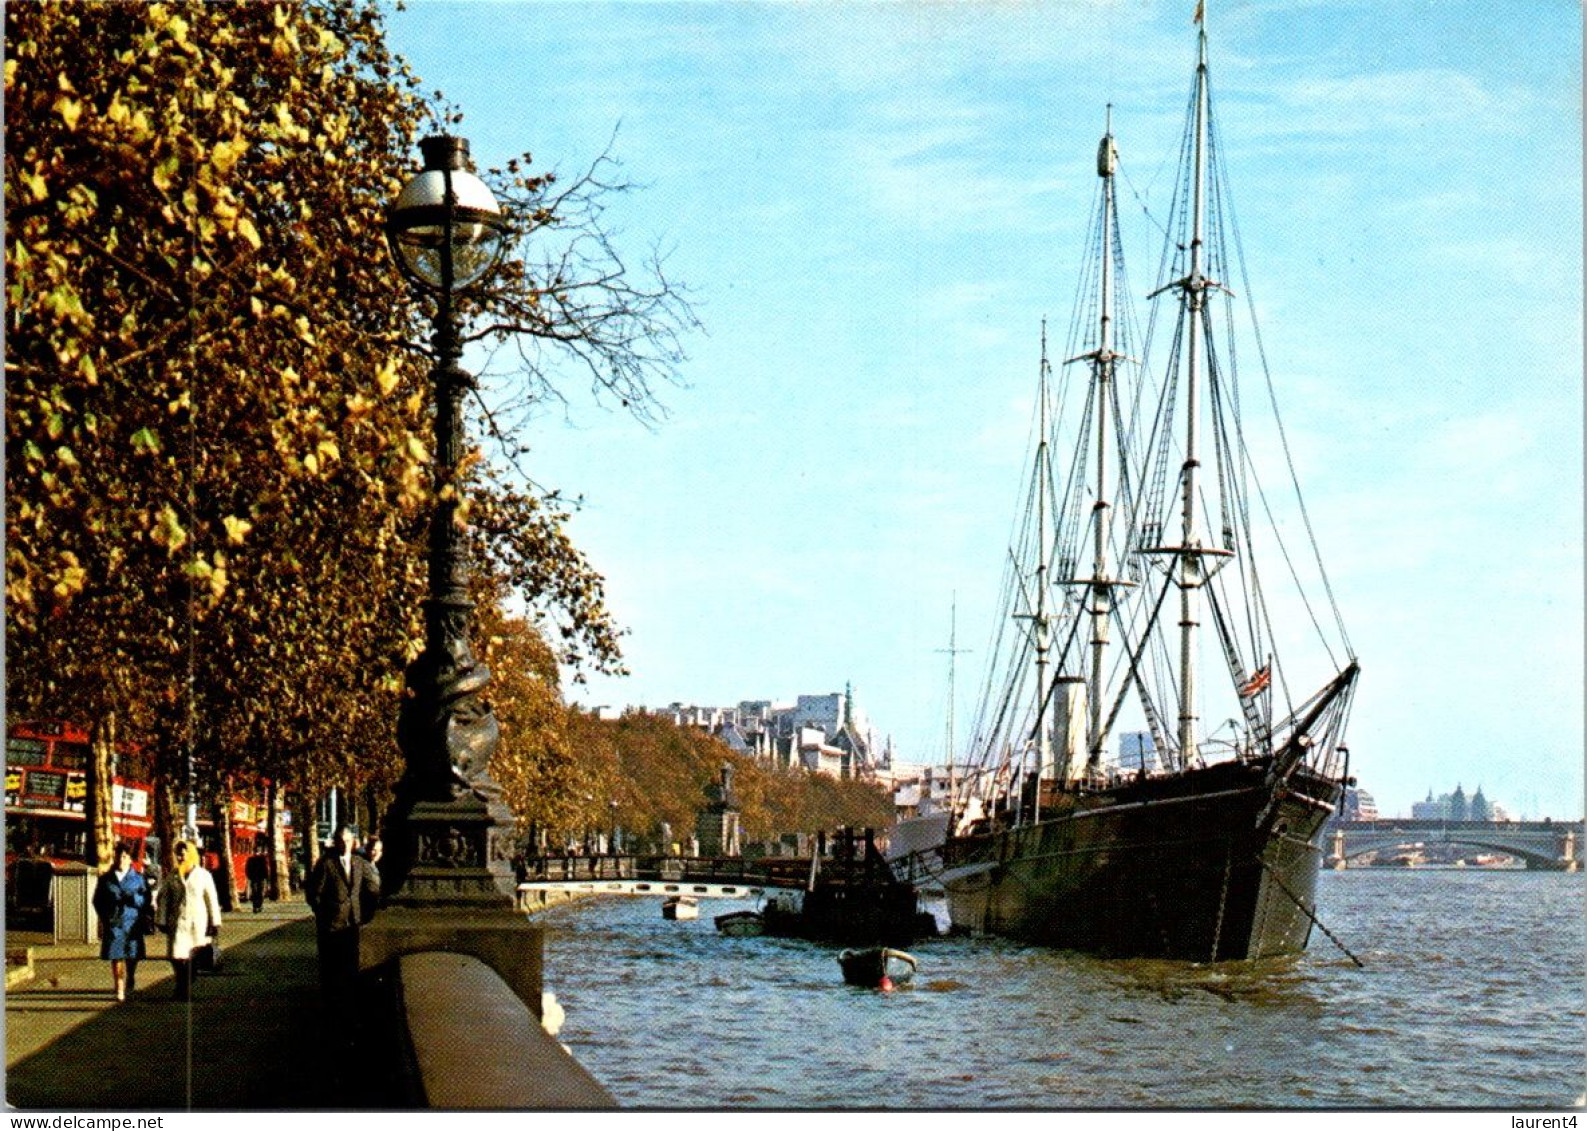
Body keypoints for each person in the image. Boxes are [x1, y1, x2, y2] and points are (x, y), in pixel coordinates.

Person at [304, 824, 380, 1012]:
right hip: (331, 925)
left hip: (353, 923)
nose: (345, 845)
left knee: (351, 965)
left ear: (353, 842)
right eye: (341, 841)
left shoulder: (359, 863)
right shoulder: (326, 864)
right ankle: (330, 1004)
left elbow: (372, 889)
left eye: (348, 841)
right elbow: (314, 893)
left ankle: (347, 1004)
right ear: (336, 842)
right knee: (331, 967)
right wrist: (321, 914)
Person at [159, 840, 221, 1001]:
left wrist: (215, 922)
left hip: (197, 923)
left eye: (182, 854)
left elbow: (211, 899)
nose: (179, 857)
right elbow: (164, 899)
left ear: (191, 855)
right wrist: (162, 920)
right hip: (177, 922)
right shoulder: (172, 875)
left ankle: (183, 987)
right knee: (175, 956)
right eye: (177, 854)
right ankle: (182, 983)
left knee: (194, 958)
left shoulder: (203, 875)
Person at [91, 841, 152, 1002]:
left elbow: (147, 900)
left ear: (130, 859)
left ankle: (130, 976)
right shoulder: (106, 879)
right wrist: (105, 917)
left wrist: (135, 899)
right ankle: (119, 985)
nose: (121, 859)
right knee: (116, 955)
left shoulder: (138, 879)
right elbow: (97, 900)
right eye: (118, 855)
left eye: (124, 856)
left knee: (132, 955)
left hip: (133, 923)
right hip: (114, 923)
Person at [244, 844, 271, 913]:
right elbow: (266, 869)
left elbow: (247, 869)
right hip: (259, 878)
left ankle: (257, 906)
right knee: (258, 892)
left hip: (256, 878)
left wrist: (249, 876)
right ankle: (257, 906)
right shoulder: (262, 859)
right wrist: (266, 877)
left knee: (256, 892)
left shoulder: (252, 859)